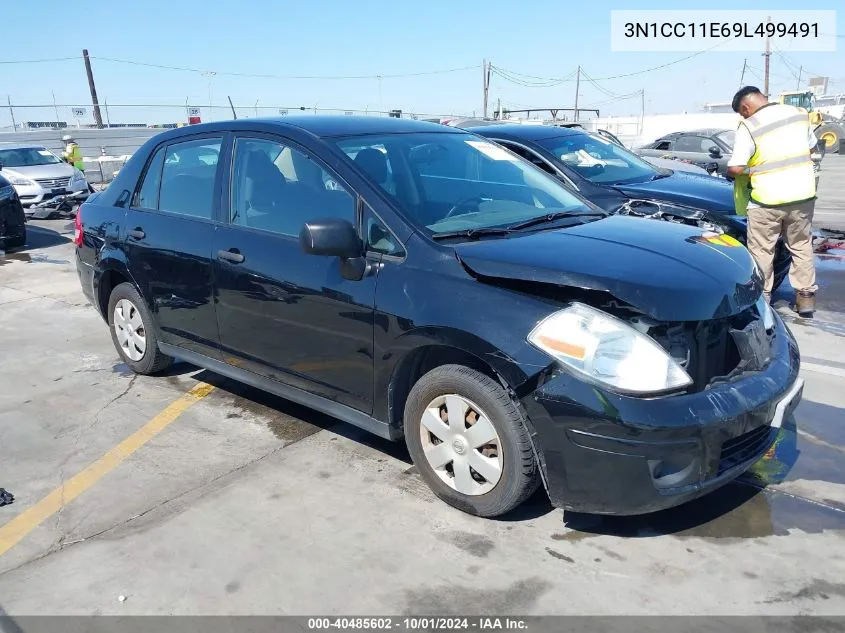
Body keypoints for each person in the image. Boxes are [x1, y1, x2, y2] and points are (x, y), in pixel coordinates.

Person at [727, 86, 818, 317]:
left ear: (745, 107)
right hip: (802, 195)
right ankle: (806, 300)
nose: (744, 116)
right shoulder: (798, 114)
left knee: (762, 251)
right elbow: (812, 147)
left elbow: (735, 167)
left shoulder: (750, 125)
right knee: (801, 245)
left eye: (742, 112)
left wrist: (751, 170)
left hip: (767, 200)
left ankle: (763, 298)